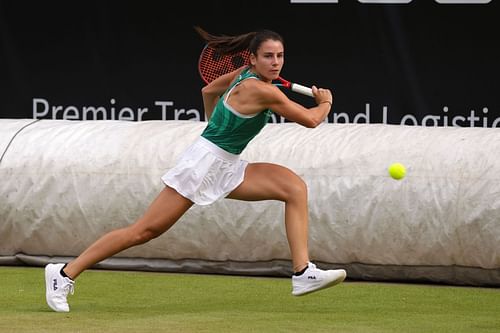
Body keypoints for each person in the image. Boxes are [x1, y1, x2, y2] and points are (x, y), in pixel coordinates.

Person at [44, 26, 346, 313]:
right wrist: (326, 102)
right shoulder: (263, 91)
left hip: (224, 162)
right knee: (143, 231)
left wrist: (216, 127)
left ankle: (303, 272)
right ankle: (64, 274)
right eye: (268, 56)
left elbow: (208, 91)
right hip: (203, 164)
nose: (275, 62)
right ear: (252, 58)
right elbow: (311, 119)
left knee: (293, 187)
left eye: (279, 56)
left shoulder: (245, 75)